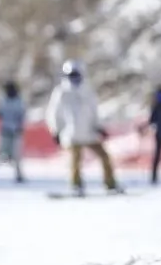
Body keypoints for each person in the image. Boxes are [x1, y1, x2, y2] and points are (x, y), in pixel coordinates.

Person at [46, 59, 122, 196]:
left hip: (88, 133)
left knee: (104, 156)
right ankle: (76, 185)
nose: (74, 78)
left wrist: (99, 127)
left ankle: (110, 183)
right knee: (75, 160)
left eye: (76, 75)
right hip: (71, 134)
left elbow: (94, 112)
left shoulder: (87, 91)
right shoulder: (61, 92)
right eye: (72, 75)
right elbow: (53, 113)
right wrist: (55, 131)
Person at [0, 80, 26, 184]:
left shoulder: (19, 101)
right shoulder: (3, 100)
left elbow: (22, 116)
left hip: (15, 132)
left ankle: (19, 175)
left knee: (16, 155)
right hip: (4, 131)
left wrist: (20, 126)